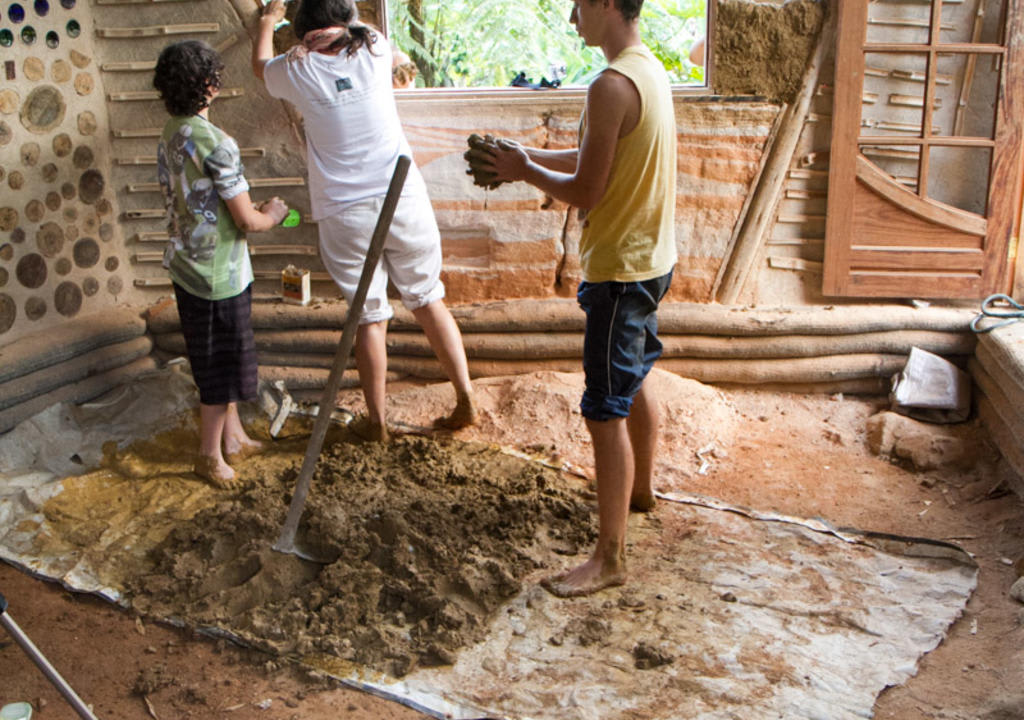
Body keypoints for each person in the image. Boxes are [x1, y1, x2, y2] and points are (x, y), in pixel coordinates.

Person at [479, 0, 677, 597]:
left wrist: (522, 172)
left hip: (619, 269)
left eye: (578, 5)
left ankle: (610, 556)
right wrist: (525, 159)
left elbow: (589, 187)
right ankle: (640, 491)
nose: (571, 19)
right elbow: (602, 160)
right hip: (650, 259)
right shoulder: (647, 70)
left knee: (602, 407)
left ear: (607, 4)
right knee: (633, 377)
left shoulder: (610, 86)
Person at [251, 0, 476, 442]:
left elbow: (260, 65)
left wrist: (264, 23)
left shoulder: (295, 70)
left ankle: (378, 421)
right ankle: (465, 395)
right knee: (428, 298)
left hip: (344, 210)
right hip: (402, 195)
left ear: (303, 31)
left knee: (370, 317)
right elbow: (360, 34)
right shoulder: (373, 45)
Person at [153, 40, 290, 488]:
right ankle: (209, 456)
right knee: (220, 367)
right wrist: (274, 212)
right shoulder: (217, 143)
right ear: (210, 85)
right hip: (218, 273)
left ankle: (232, 437)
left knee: (215, 358)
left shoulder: (172, 131)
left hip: (187, 265)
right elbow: (246, 219)